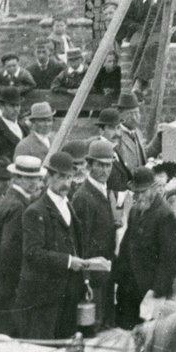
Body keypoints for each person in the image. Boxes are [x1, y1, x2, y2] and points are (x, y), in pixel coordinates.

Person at [17, 153, 107, 339]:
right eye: (60, 177)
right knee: (46, 349)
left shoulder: (68, 206)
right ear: (48, 178)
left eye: (68, 177)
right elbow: (32, 253)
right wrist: (68, 261)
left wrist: (86, 279)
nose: (65, 182)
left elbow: (76, 246)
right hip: (45, 299)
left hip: (69, 295)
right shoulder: (35, 211)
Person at [114, 167, 176, 329]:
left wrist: (156, 291)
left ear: (153, 189)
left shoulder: (165, 215)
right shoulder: (135, 211)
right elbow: (125, 247)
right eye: (136, 192)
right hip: (129, 289)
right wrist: (117, 279)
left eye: (143, 192)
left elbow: (169, 260)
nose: (139, 196)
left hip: (149, 292)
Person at [0, 155, 45, 336]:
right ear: (17, 178)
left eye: (36, 177)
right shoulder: (18, 207)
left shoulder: (11, 200)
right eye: (29, 178)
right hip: (14, 286)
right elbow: (10, 251)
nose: (34, 182)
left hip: (8, 285)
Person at [70, 141, 119, 331]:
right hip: (93, 277)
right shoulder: (83, 197)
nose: (105, 170)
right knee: (93, 327)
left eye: (108, 165)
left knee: (105, 325)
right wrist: (86, 280)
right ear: (89, 166)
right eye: (100, 165)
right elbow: (80, 243)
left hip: (104, 273)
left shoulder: (102, 190)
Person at [0, 87, 26, 163]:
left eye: (18, 105)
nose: (16, 109)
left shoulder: (24, 128)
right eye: (12, 105)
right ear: (2, 107)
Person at [114, 92, 147, 173]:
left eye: (137, 113)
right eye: (130, 113)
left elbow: (142, 155)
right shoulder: (116, 135)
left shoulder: (137, 132)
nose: (134, 117)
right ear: (120, 115)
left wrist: (158, 138)